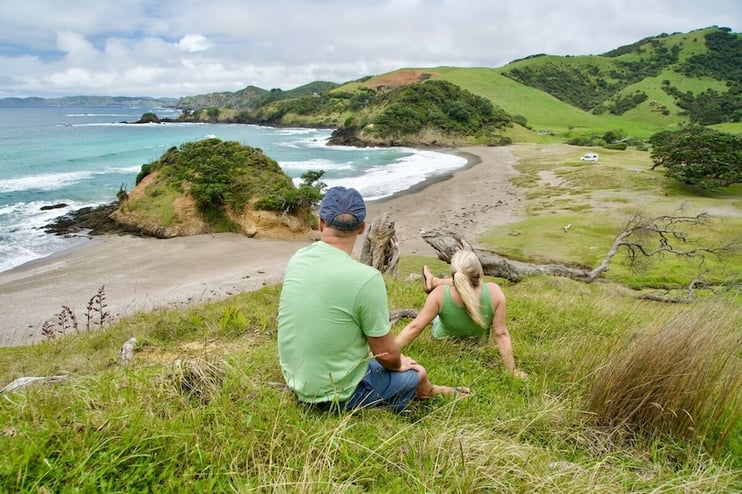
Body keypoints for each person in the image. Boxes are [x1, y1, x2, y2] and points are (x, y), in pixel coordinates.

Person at [277, 186, 469, 413]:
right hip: (336, 395)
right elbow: (387, 355)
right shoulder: (366, 278)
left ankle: (410, 393)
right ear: (362, 228)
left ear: (321, 223)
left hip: (296, 380)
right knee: (416, 374)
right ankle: (425, 392)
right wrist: (399, 364)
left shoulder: (298, 259)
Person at [395, 250, 528, 379]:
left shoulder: (440, 294)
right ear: (481, 273)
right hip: (477, 344)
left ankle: (433, 282)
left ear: (453, 276)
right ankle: (434, 281)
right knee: (466, 288)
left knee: (436, 319)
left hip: (443, 342)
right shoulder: (495, 292)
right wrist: (512, 370)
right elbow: (500, 334)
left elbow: (415, 327)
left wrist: (389, 352)